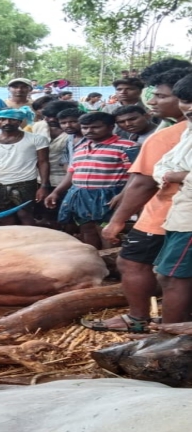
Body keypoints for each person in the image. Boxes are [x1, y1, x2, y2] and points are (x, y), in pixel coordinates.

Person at [87, 68, 190, 332]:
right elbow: (155, 173)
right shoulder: (176, 131)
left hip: (169, 213)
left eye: (160, 95)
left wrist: (117, 220)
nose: (152, 101)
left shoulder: (170, 133)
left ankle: (150, 325)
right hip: (172, 210)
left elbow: (146, 182)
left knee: (153, 269)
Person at [45, 112, 139, 249]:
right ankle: (94, 259)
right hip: (80, 195)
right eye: (85, 128)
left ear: (110, 127)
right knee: (86, 229)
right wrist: (56, 192)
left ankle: (112, 264)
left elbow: (135, 174)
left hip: (109, 196)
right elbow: (72, 172)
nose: (89, 131)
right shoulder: (81, 147)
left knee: (107, 232)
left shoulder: (128, 146)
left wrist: (122, 195)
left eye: (95, 127)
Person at [150, 74, 192, 324]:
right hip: (180, 214)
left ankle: (169, 338)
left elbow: (168, 170)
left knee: (173, 278)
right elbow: (161, 167)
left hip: (189, 220)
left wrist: (178, 174)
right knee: (168, 276)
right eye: (186, 102)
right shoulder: (188, 131)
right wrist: (176, 174)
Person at [0, 109, 50, 225]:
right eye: (1, 119)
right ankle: (11, 241)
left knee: (25, 214)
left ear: (20, 121)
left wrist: (44, 186)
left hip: (25, 182)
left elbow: (43, 162)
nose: (7, 122)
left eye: (13, 119)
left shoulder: (37, 139)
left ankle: (31, 241)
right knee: (4, 216)